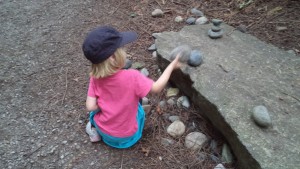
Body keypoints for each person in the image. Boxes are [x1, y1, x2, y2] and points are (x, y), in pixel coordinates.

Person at [82, 26, 182, 149]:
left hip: (105, 133)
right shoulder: (132, 76)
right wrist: (171, 66)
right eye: (120, 49)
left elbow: (90, 106)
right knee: (139, 109)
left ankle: (94, 132)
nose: (124, 51)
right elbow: (156, 88)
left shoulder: (95, 78)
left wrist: (105, 104)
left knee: (93, 115)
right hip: (128, 137)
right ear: (113, 57)